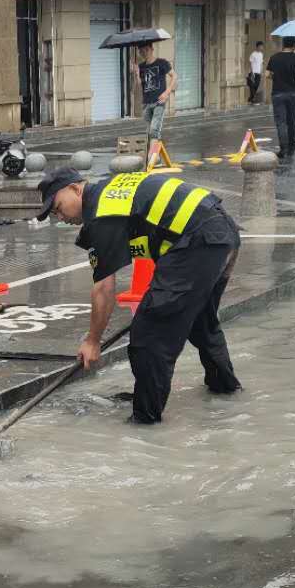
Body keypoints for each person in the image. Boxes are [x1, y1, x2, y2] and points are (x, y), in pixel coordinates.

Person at [36, 166, 241, 424]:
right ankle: (226, 391)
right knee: (201, 322)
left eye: (58, 207)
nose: (59, 217)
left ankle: (145, 421)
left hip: (200, 240)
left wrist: (93, 341)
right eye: (53, 214)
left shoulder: (102, 212)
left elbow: (104, 288)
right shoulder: (110, 194)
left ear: (75, 189)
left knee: (150, 333)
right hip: (221, 232)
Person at [266, 36, 295, 160]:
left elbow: (267, 74)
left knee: (281, 123)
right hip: (292, 94)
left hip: (277, 93)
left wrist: (275, 77)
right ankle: (292, 146)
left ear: (283, 44)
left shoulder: (274, 57)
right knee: (291, 121)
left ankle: (283, 149)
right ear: (294, 45)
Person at [131, 43, 175, 155]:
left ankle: (152, 156)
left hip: (159, 102)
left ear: (152, 49)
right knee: (149, 131)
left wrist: (167, 92)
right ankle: (157, 156)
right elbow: (137, 87)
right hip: (146, 103)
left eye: (146, 50)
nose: (144, 53)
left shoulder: (162, 63)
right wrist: (136, 74)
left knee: (154, 129)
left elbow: (174, 76)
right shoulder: (141, 67)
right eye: (141, 51)